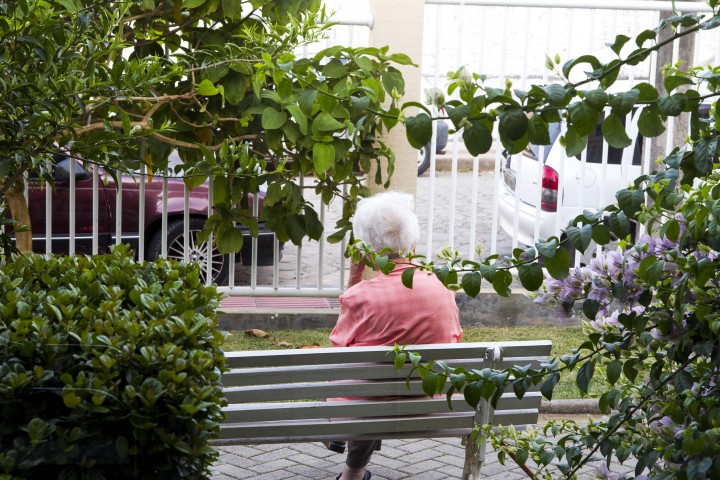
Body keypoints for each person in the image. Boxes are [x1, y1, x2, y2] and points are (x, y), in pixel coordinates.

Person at [328, 191, 462, 480]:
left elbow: (338, 349)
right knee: (375, 384)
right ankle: (352, 473)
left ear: (365, 248)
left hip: (370, 406)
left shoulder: (360, 297)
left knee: (362, 386)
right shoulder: (442, 289)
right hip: (430, 404)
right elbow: (454, 341)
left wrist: (353, 279)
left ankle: (345, 459)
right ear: (411, 242)